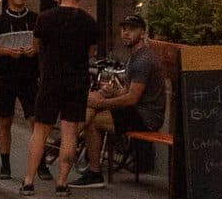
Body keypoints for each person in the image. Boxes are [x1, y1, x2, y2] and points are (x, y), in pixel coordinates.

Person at [20, 0, 100, 197]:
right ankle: (62, 182)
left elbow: (36, 45)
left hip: (50, 79)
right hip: (76, 80)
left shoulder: (45, 18)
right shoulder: (89, 22)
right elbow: (90, 52)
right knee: (69, 130)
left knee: (40, 130)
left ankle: (28, 180)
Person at [71, 14, 166, 188]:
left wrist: (101, 103)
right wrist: (112, 92)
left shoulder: (143, 60)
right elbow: (128, 91)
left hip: (146, 116)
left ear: (143, 33)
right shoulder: (134, 57)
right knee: (95, 99)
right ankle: (74, 136)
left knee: (94, 120)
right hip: (137, 110)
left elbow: (132, 98)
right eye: (124, 30)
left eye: (132, 30)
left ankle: (92, 169)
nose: (126, 33)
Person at [0, 0, 41, 180]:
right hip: (6, 76)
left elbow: (43, 43)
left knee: (36, 121)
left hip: (29, 77)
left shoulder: (35, 19)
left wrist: (34, 49)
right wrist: (7, 52)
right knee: (5, 120)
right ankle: (5, 164)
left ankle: (40, 163)